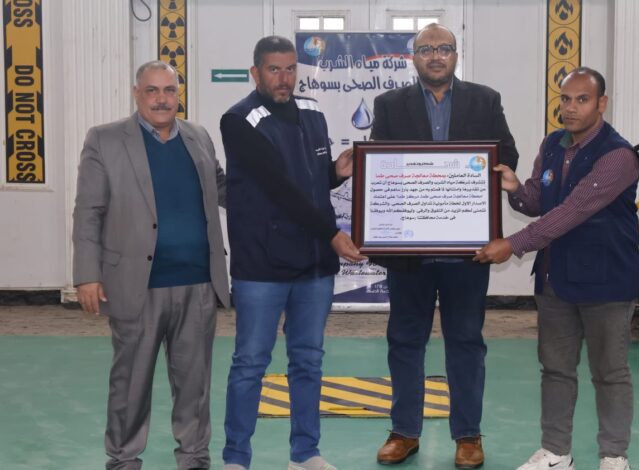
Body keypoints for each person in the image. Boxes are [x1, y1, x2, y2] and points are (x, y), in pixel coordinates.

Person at [473, 67, 639, 470]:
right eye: (565, 99)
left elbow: (572, 212)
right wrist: (516, 188)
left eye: (582, 99)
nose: (570, 107)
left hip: (606, 282)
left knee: (609, 372)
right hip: (555, 280)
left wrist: (513, 244)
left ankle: (613, 455)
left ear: (601, 103)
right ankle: (556, 452)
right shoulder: (552, 144)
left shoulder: (618, 156)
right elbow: (539, 200)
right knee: (556, 370)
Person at [370, 23, 519, 469]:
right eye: (426, 49)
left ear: (456, 55)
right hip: (408, 252)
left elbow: (507, 153)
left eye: (444, 48)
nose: (436, 56)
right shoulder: (389, 104)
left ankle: (468, 435)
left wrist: (489, 173)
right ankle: (404, 432)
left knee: (466, 343)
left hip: (467, 250)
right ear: (413, 57)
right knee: (404, 341)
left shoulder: (485, 100)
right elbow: (378, 165)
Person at [72, 60, 230, 470]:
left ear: (179, 95)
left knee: (195, 386)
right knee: (130, 384)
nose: (162, 99)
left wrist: (287, 185)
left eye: (169, 90)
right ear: (136, 93)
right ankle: (124, 459)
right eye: (152, 91)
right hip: (135, 285)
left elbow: (225, 189)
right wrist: (87, 274)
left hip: (198, 284)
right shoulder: (105, 140)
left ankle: (194, 458)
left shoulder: (198, 136)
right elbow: (88, 211)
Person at [219, 36, 365, 470]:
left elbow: (310, 180)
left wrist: (335, 173)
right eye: (273, 69)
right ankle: (236, 458)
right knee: (250, 363)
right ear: (255, 73)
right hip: (261, 266)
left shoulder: (313, 111)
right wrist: (333, 234)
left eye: (289, 69)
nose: (283, 78)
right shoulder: (239, 120)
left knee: (308, 362)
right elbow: (279, 188)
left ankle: (305, 454)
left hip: (313, 265)